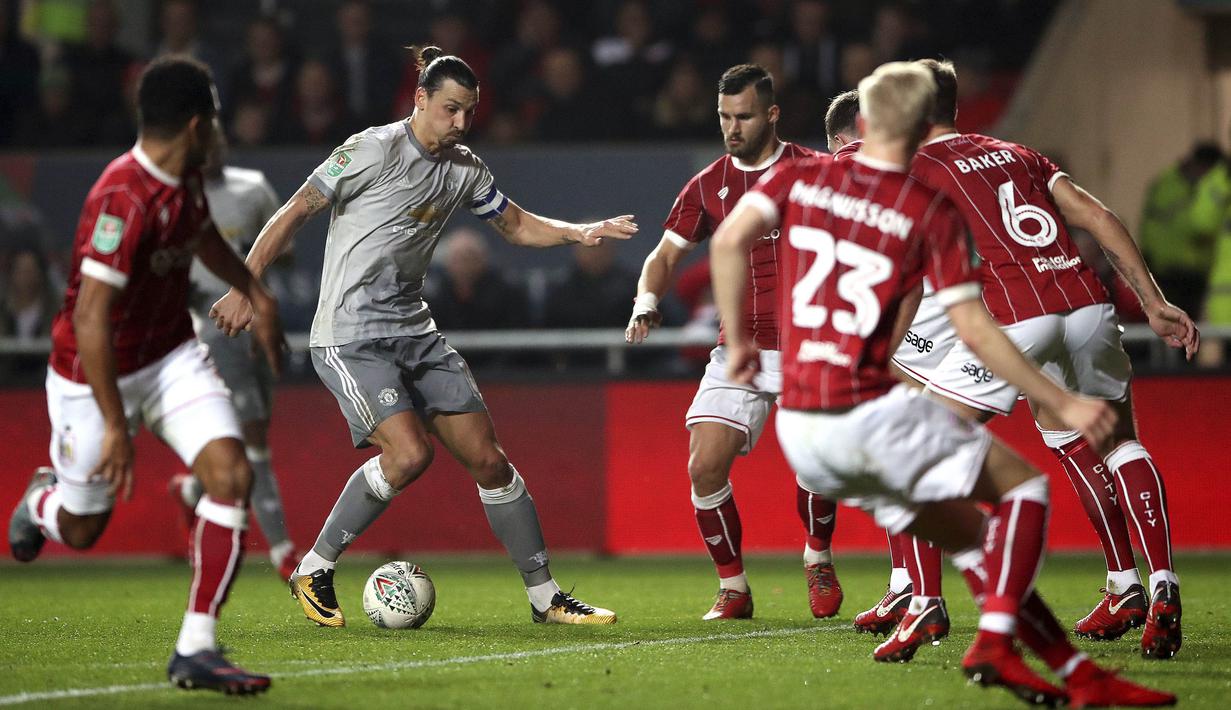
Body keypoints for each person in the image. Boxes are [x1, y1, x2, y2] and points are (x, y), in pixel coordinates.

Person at [711, 60, 1174, 708]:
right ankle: (947, 611)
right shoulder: (926, 201)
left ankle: (1048, 661)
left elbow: (729, 241)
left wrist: (740, 341)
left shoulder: (808, 175)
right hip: (864, 409)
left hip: (809, 415)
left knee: (975, 534)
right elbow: (972, 324)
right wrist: (1055, 397)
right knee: (1020, 492)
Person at [211, 46, 634, 628]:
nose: (461, 122)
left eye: (470, 112)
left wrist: (579, 232)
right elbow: (295, 211)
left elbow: (515, 225)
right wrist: (244, 286)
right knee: (409, 454)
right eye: (450, 109)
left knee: (490, 462)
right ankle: (314, 567)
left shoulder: (465, 168)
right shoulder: (371, 149)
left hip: (416, 331)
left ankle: (546, 598)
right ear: (419, 100)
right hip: (351, 335)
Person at [891, 58, 1198, 662]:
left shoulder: (919, 167)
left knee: (916, 443)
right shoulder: (1017, 153)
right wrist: (1154, 303)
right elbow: (1098, 217)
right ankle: (1147, 584)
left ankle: (924, 602)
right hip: (1087, 304)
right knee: (1114, 442)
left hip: (1017, 319)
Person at [6, 57, 283, 694]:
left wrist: (256, 293)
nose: (219, 132)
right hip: (91, 373)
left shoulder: (186, 178)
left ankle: (196, 648)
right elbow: (90, 318)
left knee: (231, 474)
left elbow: (204, 239)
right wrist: (115, 426)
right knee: (82, 529)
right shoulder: (122, 198)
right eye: (214, 120)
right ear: (196, 125)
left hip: (170, 357)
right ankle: (41, 502)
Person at [626, 64, 844, 621]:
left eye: (743, 116)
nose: (732, 127)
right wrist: (646, 300)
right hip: (739, 348)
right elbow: (665, 255)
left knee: (818, 464)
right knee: (704, 465)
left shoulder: (816, 170)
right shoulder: (708, 185)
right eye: (724, 116)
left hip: (809, 345)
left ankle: (817, 557)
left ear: (772, 114)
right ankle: (734, 588)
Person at [167, 124, 300, 582]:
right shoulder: (176, 197)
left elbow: (286, 251)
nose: (213, 151)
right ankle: (283, 552)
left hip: (257, 322)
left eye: (218, 142)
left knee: (254, 430)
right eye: (205, 144)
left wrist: (255, 256)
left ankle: (192, 489)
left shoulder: (253, 188)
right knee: (254, 437)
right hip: (211, 325)